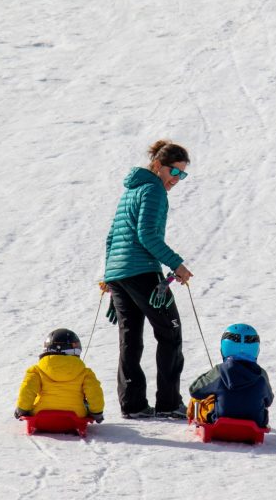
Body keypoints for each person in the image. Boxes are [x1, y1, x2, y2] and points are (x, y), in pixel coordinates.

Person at [102, 139, 193, 419]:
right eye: (174, 172)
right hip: (142, 271)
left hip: (120, 275)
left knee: (130, 339)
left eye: (182, 174)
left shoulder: (131, 191)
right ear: (157, 166)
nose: (176, 180)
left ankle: (133, 405)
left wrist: (110, 277)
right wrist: (177, 265)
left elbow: (111, 237)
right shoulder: (154, 190)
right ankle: (168, 403)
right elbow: (147, 236)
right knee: (170, 333)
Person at [187, 323, 274, 428]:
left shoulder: (219, 371)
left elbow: (195, 390)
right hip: (255, 422)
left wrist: (211, 374)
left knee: (199, 401)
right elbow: (268, 401)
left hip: (219, 421)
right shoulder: (261, 374)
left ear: (225, 348)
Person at [14, 328, 105, 423]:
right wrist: (97, 413)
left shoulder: (37, 370)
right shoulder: (85, 373)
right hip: (75, 417)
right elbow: (94, 392)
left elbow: (28, 389)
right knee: (84, 404)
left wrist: (22, 409)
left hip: (41, 415)